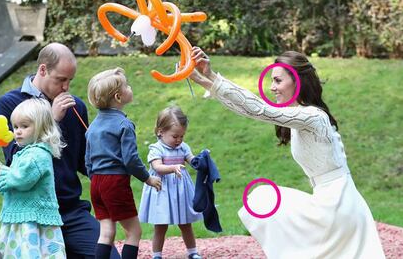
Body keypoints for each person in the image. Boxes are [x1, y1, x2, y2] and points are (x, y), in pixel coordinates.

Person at [189, 47, 385, 259]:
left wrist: (208, 77)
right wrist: (203, 76)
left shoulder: (313, 116)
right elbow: (249, 110)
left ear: (297, 81)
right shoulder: (299, 115)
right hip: (332, 203)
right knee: (262, 199)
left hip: (337, 207)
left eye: (278, 81)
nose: (272, 87)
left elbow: (260, 110)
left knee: (262, 199)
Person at [0, 43, 120, 258]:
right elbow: (16, 159)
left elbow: (83, 162)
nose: (66, 87)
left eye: (70, 80)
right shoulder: (8, 104)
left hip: (70, 212)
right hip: (31, 215)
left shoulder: (75, 107)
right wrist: (50, 121)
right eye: (61, 80)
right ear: (43, 70)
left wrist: (110, 159)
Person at [85, 67, 162, 259]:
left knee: (106, 233)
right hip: (115, 183)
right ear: (118, 97)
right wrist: (147, 179)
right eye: (127, 85)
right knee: (134, 232)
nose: (130, 87)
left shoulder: (93, 126)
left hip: (96, 184)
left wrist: (96, 179)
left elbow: (87, 161)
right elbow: (130, 159)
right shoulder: (124, 125)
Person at [0, 98, 66, 258]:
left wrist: (3, 172)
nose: (17, 131)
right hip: (23, 216)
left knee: (30, 253)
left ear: (42, 128)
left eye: (24, 126)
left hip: (33, 221)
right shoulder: (27, 152)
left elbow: (23, 180)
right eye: (15, 126)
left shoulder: (37, 154)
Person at [139, 106, 203, 259]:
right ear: (161, 131)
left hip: (180, 191)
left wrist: (200, 161)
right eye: (175, 136)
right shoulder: (156, 148)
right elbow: (157, 167)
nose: (179, 140)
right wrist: (173, 167)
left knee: (185, 223)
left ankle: (192, 251)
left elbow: (191, 159)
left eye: (182, 136)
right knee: (160, 225)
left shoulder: (183, 147)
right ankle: (157, 255)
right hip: (162, 189)